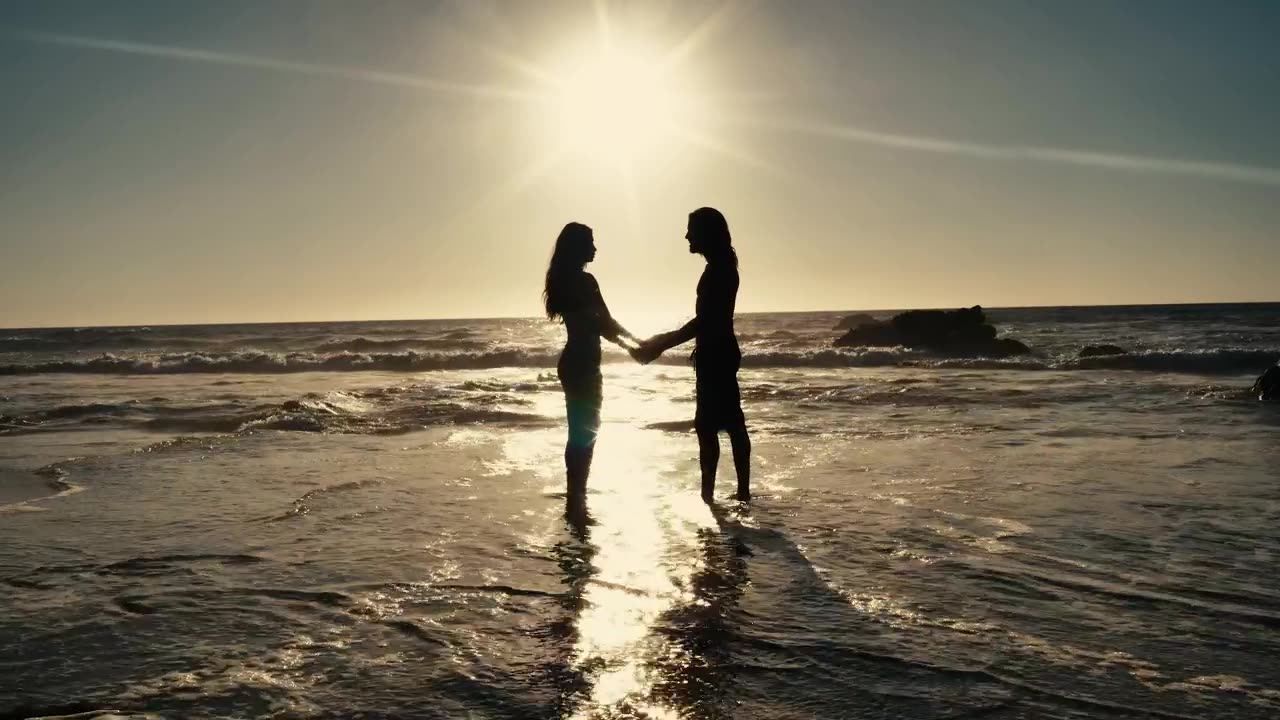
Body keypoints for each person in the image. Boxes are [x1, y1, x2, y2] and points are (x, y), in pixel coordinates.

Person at [636, 207, 751, 503]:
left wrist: (663, 342)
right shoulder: (720, 267)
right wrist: (664, 340)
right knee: (726, 423)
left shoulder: (720, 270)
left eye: (692, 229)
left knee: (712, 425)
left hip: (717, 354)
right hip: (718, 351)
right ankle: (735, 494)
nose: (687, 235)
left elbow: (706, 320)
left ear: (706, 233)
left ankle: (717, 496)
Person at [543, 222, 640, 498]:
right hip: (585, 366)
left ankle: (576, 492)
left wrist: (632, 344)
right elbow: (605, 324)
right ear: (578, 247)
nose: (595, 248)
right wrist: (637, 344)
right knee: (586, 432)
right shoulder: (585, 282)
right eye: (590, 243)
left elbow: (598, 324)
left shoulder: (561, 282)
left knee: (578, 432)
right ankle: (578, 495)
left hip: (572, 363)